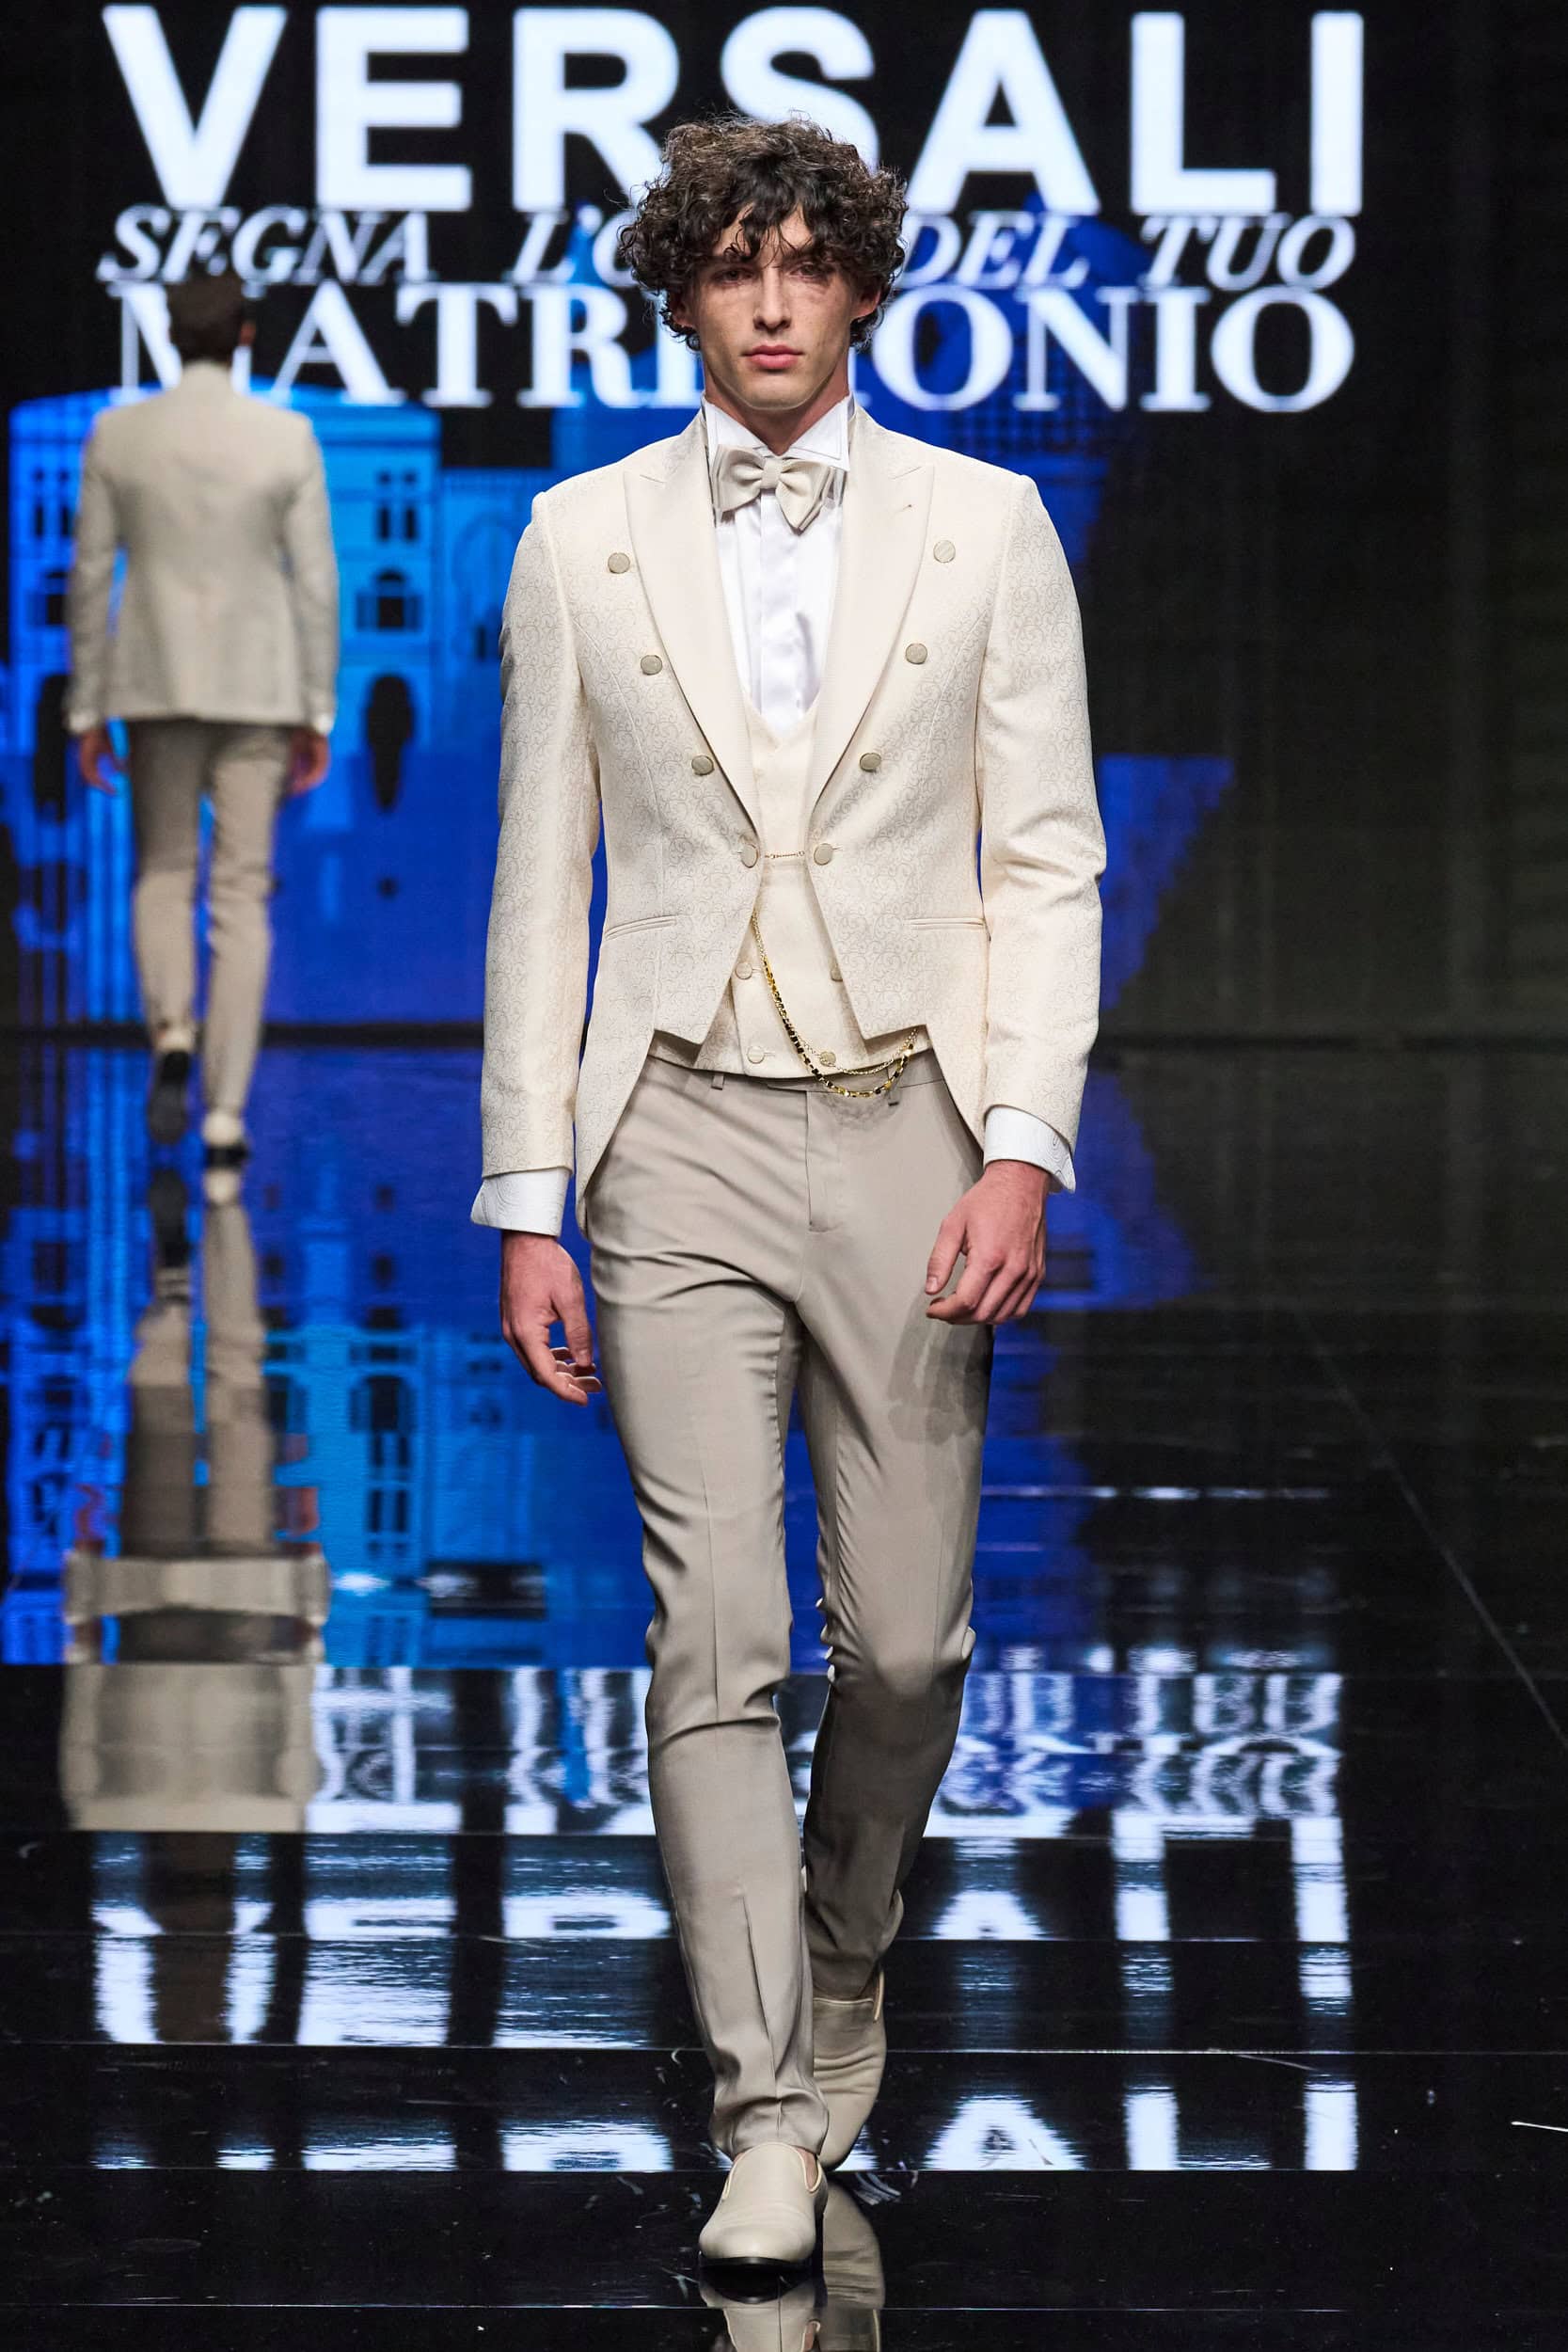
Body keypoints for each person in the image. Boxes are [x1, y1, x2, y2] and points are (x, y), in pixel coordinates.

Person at [472, 114, 1104, 2264]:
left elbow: (1045, 855)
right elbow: (537, 881)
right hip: (670, 1131)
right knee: (715, 1630)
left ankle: (842, 1955)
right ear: (678, 291)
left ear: (857, 287)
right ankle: (763, 2100)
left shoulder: (985, 526)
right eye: (731, 264)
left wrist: (1019, 1142)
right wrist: (528, 1187)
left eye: (804, 263)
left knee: (905, 1646)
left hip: (909, 1112)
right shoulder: (577, 538)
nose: (767, 300)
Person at [67, 271, 339, 1166]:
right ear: (247, 335)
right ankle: (225, 1113)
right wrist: (318, 708)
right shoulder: (286, 436)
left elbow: (90, 574)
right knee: (240, 894)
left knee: (162, 872)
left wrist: (85, 705)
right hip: (259, 687)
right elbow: (315, 581)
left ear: (169, 334)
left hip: (153, 681)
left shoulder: (118, 434)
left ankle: (172, 1030)